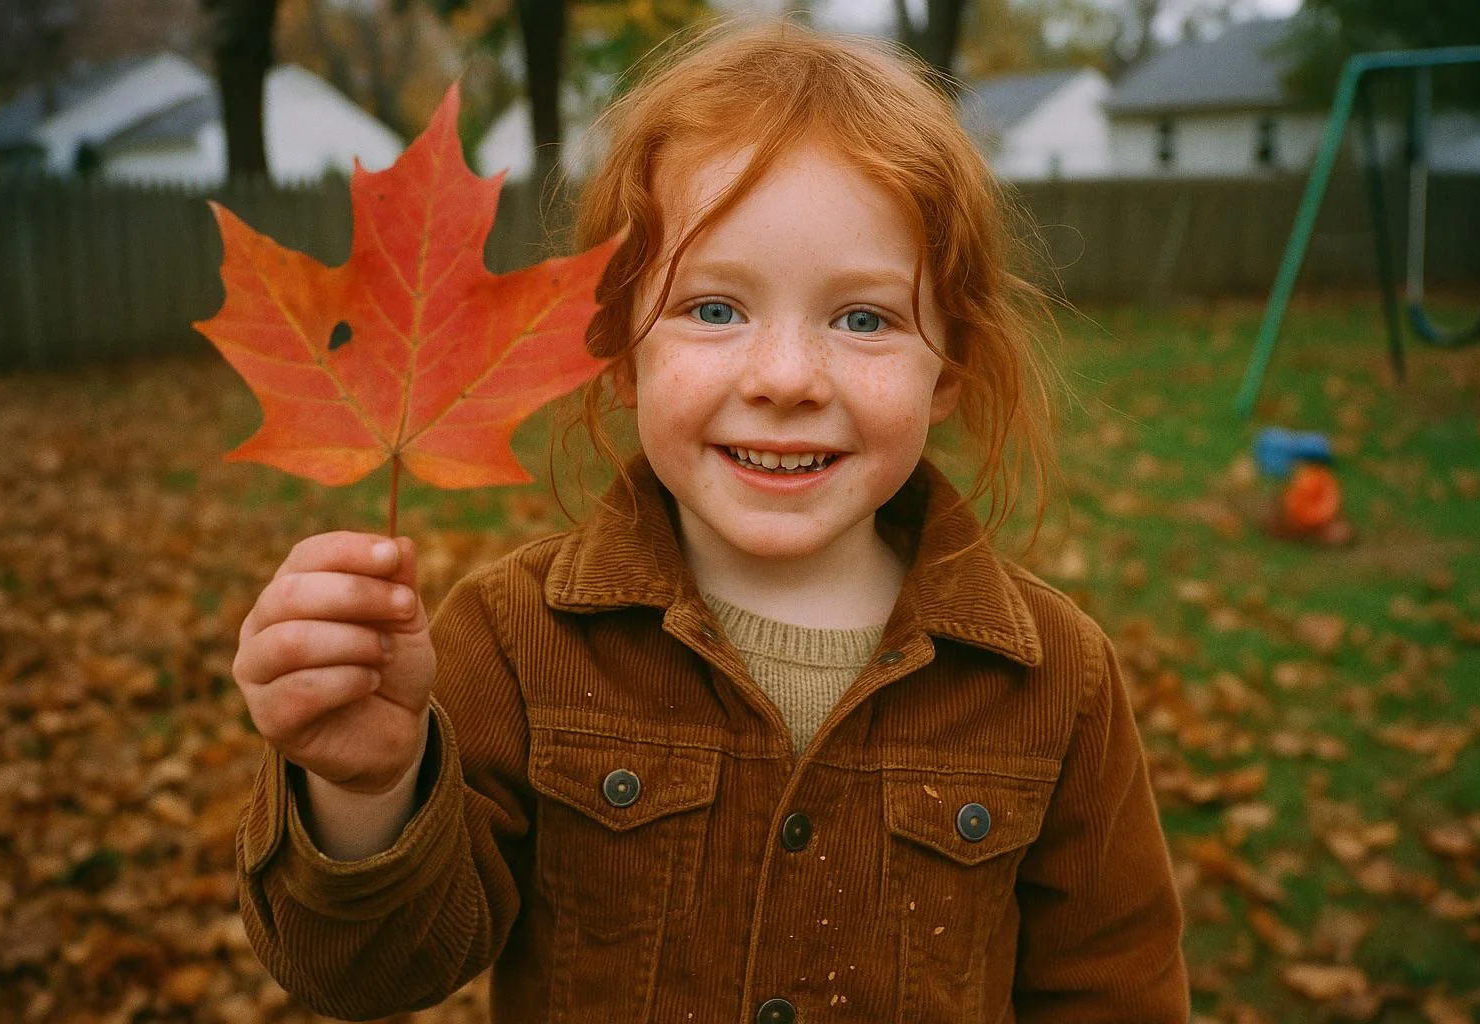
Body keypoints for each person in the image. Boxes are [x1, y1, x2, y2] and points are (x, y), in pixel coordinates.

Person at [232, 18, 1189, 1023]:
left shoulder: (1057, 682)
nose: (785, 377)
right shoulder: (511, 641)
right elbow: (369, 974)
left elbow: (1114, 991)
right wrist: (367, 791)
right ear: (618, 350)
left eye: (863, 318)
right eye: (715, 309)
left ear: (946, 371)